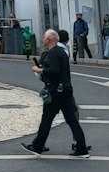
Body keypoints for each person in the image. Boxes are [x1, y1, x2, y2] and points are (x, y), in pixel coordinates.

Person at [22, 29, 90, 158]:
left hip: (55, 92)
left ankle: (37, 146)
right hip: (66, 90)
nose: (42, 39)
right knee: (72, 120)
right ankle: (81, 148)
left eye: (44, 37)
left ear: (50, 39)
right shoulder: (62, 52)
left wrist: (39, 69)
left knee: (46, 119)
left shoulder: (53, 53)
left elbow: (53, 71)